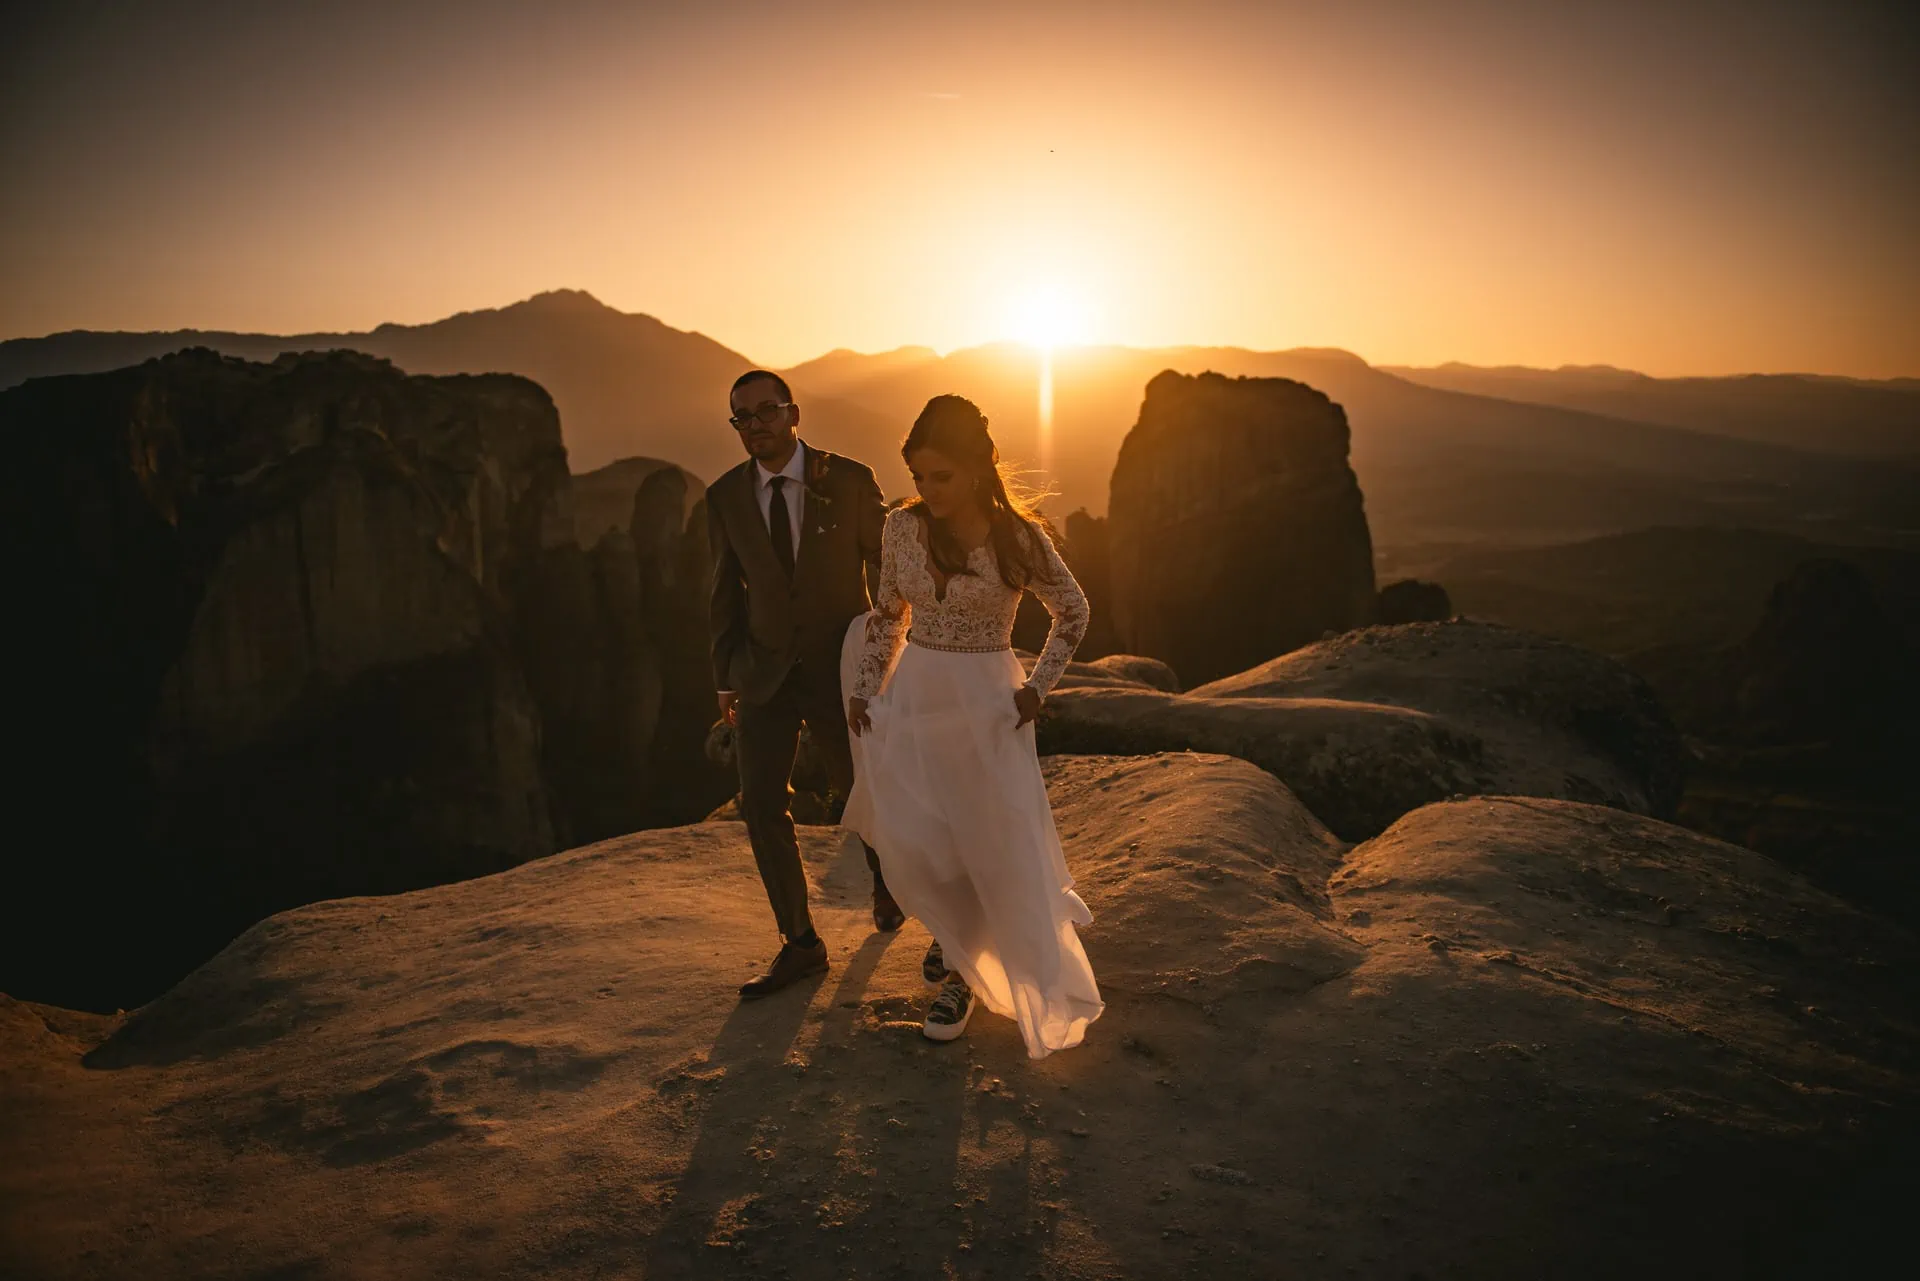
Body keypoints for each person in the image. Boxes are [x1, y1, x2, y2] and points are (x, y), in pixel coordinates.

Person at [840, 394, 1103, 1058]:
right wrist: (868, 688)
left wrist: (1038, 688)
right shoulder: (902, 528)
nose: (926, 491)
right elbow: (886, 613)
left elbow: (1072, 609)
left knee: (985, 835)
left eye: (941, 477)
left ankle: (958, 976)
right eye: (918, 477)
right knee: (925, 836)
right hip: (918, 693)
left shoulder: (1018, 538)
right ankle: (953, 934)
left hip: (988, 701)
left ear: (979, 469)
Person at [707, 370, 905, 1000]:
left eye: (766, 410)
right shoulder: (725, 496)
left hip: (838, 669)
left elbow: (888, 568)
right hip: (761, 674)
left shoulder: (846, 480)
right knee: (761, 805)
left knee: (860, 792)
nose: (755, 423)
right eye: (742, 416)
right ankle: (800, 944)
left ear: (793, 413)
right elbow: (721, 593)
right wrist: (724, 677)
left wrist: (886, 651)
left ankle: (888, 883)